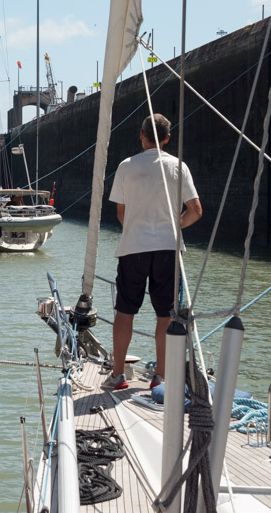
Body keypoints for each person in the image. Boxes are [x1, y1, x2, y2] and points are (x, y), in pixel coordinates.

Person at [103, 114, 202, 390]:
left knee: (125, 312)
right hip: (168, 250)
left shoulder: (126, 167)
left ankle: (118, 375)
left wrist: (137, 229)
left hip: (133, 248)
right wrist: (173, 227)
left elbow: (121, 212)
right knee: (166, 315)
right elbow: (195, 211)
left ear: (141, 135)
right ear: (167, 138)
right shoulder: (178, 167)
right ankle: (160, 377)